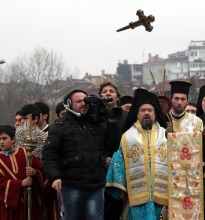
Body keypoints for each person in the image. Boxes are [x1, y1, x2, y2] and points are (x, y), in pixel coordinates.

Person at [42, 89, 121, 220]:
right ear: (68, 104)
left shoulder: (98, 123)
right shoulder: (59, 126)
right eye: (78, 101)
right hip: (70, 185)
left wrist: (113, 123)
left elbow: (112, 146)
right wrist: (54, 177)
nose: (83, 104)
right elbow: (49, 154)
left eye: (85, 101)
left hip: (96, 185)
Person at [106, 90, 168, 220]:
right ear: (137, 114)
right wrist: (122, 189)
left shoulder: (166, 135)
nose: (146, 113)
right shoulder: (127, 136)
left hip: (162, 194)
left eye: (150, 110)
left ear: (155, 114)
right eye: (143, 110)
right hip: (135, 195)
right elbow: (118, 163)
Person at [0, 125, 44, 220]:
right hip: (9, 205)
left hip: (29, 201)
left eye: (4, 138)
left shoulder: (26, 153)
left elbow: (41, 171)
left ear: (13, 139)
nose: (1, 142)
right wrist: (20, 184)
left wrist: (35, 173)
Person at [98, 82, 128, 220]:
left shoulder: (127, 116)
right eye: (104, 91)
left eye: (111, 91)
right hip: (99, 171)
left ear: (117, 97)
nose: (108, 93)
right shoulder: (95, 117)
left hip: (122, 171)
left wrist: (115, 159)